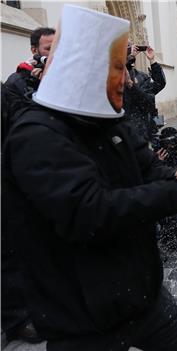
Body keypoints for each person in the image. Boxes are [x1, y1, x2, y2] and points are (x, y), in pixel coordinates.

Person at [2, 6, 177, 350]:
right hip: (82, 316)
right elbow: (89, 213)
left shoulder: (108, 119)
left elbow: (145, 168)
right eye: (116, 68)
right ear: (84, 69)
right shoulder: (36, 135)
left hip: (140, 295)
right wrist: (176, 191)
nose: (126, 79)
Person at [1, 26, 55, 345]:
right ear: (34, 49)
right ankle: (16, 318)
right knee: (12, 250)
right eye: (47, 49)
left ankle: (43, 302)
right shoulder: (16, 83)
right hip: (17, 178)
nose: (51, 54)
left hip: (47, 173)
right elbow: (20, 125)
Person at [123, 43, 166, 142]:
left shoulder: (141, 76)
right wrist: (128, 59)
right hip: (122, 131)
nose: (132, 52)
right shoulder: (112, 77)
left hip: (141, 130)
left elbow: (159, 84)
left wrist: (152, 61)